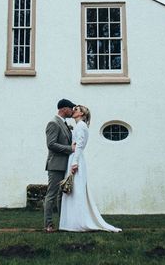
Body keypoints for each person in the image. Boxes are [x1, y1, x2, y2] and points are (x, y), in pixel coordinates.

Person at [59, 105, 122, 232]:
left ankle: (78, 222)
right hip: (74, 158)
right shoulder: (79, 126)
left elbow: (80, 145)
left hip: (76, 159)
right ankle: (72, 222)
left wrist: (75, 162)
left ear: (81, 113)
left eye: (76, 110)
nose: (73, 111)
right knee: (73, 190)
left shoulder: (81, 126)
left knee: (76, 191)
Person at [44, 98, 75, 233]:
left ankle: (63, 222)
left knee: (62, 195)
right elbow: (51, 144)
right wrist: (70, 149)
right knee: (52, 194)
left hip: (65, 164)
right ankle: (48, 224)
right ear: (63, 109)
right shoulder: (53, 123)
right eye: (70, 108)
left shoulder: (64, 123)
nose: (72, 110)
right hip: (55, 164)